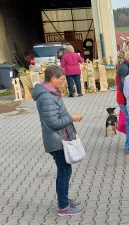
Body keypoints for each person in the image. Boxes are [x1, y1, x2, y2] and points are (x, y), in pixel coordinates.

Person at [32, 65, 84, 216]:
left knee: (65, 171)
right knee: (64, 172)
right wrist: (72, 117)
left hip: (60, 138)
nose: (63, 81)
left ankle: (64, 200)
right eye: (61, 79)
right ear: (53, 78)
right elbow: (54, 122)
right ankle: (63, 207)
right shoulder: (47, 97)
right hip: (57, 141)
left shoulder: (50, 94)